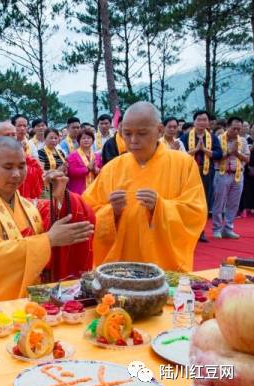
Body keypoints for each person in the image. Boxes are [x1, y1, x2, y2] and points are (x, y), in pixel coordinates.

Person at [0, 137, 94, 302]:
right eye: (8, 167)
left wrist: (60, 196)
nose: (16, 174)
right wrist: (48, 240)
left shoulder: (30, 207)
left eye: (22, 166)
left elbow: (65, 215)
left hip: (35, 301)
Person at [83, 102, 207, 272]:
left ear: (160, 130)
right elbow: (87, 212)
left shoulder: (184, 164)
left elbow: (195, 213)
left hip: (164, 266)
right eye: (127, 133)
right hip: (119, 266)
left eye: (142, 133)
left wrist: (160, 207)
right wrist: (112, 212)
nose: (133, 140)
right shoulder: (112, 168)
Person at [180, 110, 222, 242]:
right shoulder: (185, 137)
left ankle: (201, 231)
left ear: (208, 122)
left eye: (205, 120)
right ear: (194, 121)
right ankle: (187, 230)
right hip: (189, 173)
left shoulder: (212, 137)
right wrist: (196, 150)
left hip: (206, 172)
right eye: (199, 119)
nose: (202, 122)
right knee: (189, 201)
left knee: (204, 201)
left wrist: (205, 150)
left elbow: (219, 154)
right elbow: (180, 155)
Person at [0, 121, 44, 199]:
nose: (11, 138)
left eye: (13, 134)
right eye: (7, 135)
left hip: (21, 200)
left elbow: (37, 169)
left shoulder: (18, 153)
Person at [212, 117, 249, 239]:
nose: (236, 131)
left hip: (238, 174)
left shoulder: (243, 141)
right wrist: (228, 153)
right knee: (219, 202)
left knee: (234, 203)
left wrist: (237, 153)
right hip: (222, 173)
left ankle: (228, 228)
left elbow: (247, 159)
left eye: (239, 129)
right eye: (234, 128)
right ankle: (217, 228)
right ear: (227, 126)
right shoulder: (218, 139)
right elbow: (215, 157)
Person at [67, 130, 102, 195]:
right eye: (83, 138)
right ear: (79, 141)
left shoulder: (97, 156)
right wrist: (87, 169)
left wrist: (96, 170)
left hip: (93, 189)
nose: (86, 140)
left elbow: (101, 170)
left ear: (93, 140)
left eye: (89, 138)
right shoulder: (73, 156)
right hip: (78, 189)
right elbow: (71, 172)